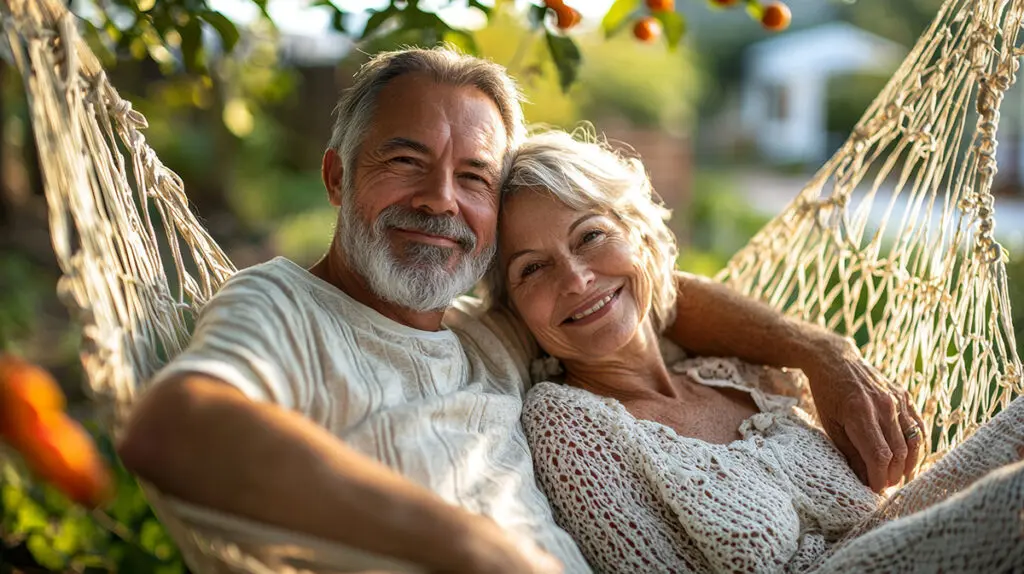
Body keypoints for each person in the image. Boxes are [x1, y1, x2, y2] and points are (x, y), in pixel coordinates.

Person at [118, 46, 924, 573]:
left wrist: (819, 352)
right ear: (337, 179)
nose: (441, 199)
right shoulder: (287, 305)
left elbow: (639, 296)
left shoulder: (491, 332)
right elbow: (176, 425)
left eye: (473, 177)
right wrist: (468, 548)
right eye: (406, 162)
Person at [484, 128, 1024, 573]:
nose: (576, 279)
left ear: (640, 237)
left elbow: (888, 514)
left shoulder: (736, 371)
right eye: (532, 268)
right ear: (514, 308)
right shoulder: (566, 421)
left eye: (590, 236)